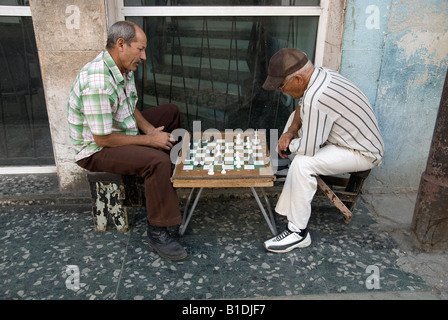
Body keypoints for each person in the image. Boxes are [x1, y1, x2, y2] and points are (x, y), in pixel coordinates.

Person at [67, 21, 187, 261]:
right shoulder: (98, 82)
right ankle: (157, 231)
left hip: (116, 131)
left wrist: (152, 131)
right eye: (140, 49)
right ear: (121, 44)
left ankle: (159, 186)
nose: (143, 56)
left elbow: (129, 108)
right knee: (157, 161)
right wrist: (149, 141)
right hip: (96, 149)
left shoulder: (123, 68)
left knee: (170, 112)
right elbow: (102, 138)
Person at [262, 48, 384, 253]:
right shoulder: (320, 74)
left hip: (362, 151)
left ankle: (298, 233)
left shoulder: (317, 98)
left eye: (282, 86)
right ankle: (292, 201)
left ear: (298, 79)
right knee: (294, 120)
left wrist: (286, 144)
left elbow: (309, 149)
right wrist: (292, 130)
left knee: (302, 164)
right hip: (348, 138)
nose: (280, 91)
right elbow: (301, 106)